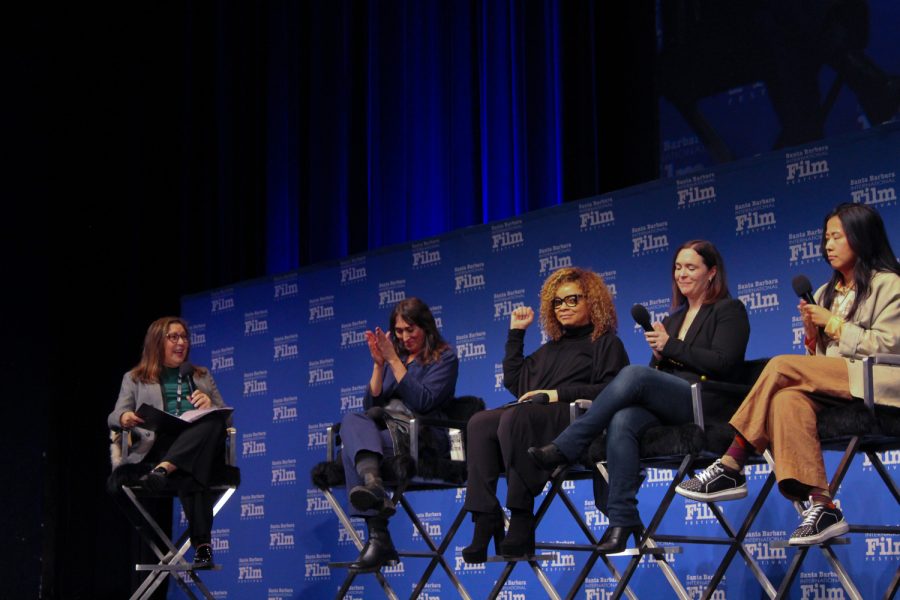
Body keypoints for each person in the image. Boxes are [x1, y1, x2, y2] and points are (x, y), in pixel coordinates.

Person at [677, 203, 900, 545]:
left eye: (837, 237)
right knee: (786, 399)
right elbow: (819, 362)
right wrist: (814, 337)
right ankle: (823, 505)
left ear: (862, 237)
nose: (828, 245)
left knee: (780, 366)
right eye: (826, 237)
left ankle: (732, 461)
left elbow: (887, 346)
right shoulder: (826, 293)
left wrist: (835, 325)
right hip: (839, 385)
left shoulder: (890, 284)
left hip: (878, 382)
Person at [529, 241, 750, 553]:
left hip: (707, 401)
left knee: (633, 374)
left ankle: (568, 444)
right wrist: (661, 356)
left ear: (711, 272)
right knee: (623, 418)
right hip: (673, 402)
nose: (681, 274)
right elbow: (657, 375)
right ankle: (622, 520)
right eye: (677, 267)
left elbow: (725, 363)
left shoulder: (729, 311)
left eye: (691, 267)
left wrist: (670, 347)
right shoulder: (674, 319)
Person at [462, 267, 629, 563]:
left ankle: (522, 515)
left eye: (572, 299)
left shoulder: (606, 343)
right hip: (534, 419)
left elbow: (611, 390)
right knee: (479, 422)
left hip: (576, 421)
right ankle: (485, 515)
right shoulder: (551, 349)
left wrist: (555, 395)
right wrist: (516, 333)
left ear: (592, 301)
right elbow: (518, 384)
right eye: (557, 302)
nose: (563, 307)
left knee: (517, 417)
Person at [339, 297, 459, 572]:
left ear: (426, 327)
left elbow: (424, 402)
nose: (405, 337)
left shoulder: (444, 357)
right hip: (385, 433)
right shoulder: (397, 359)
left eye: (410, 330)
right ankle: (373, 482)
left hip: (421, 437)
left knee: (351, 448)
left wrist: (393, 359)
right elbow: (370, 406)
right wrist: (379, 364)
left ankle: (378, 538)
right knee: (352, 422)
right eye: (399, 331)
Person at [108, 316, 229, 568]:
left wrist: (211, 404)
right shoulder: (135, 378)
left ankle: (164, 469)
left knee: (212, 424)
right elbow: (114, 416)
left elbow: (225, 420)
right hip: (160, 446)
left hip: (195, 446)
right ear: (156, 342)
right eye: (173, 337)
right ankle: (203, 547)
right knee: (196, 464)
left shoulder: (201, 376)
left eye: (184, 337)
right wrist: (125, 416)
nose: (181, 342)